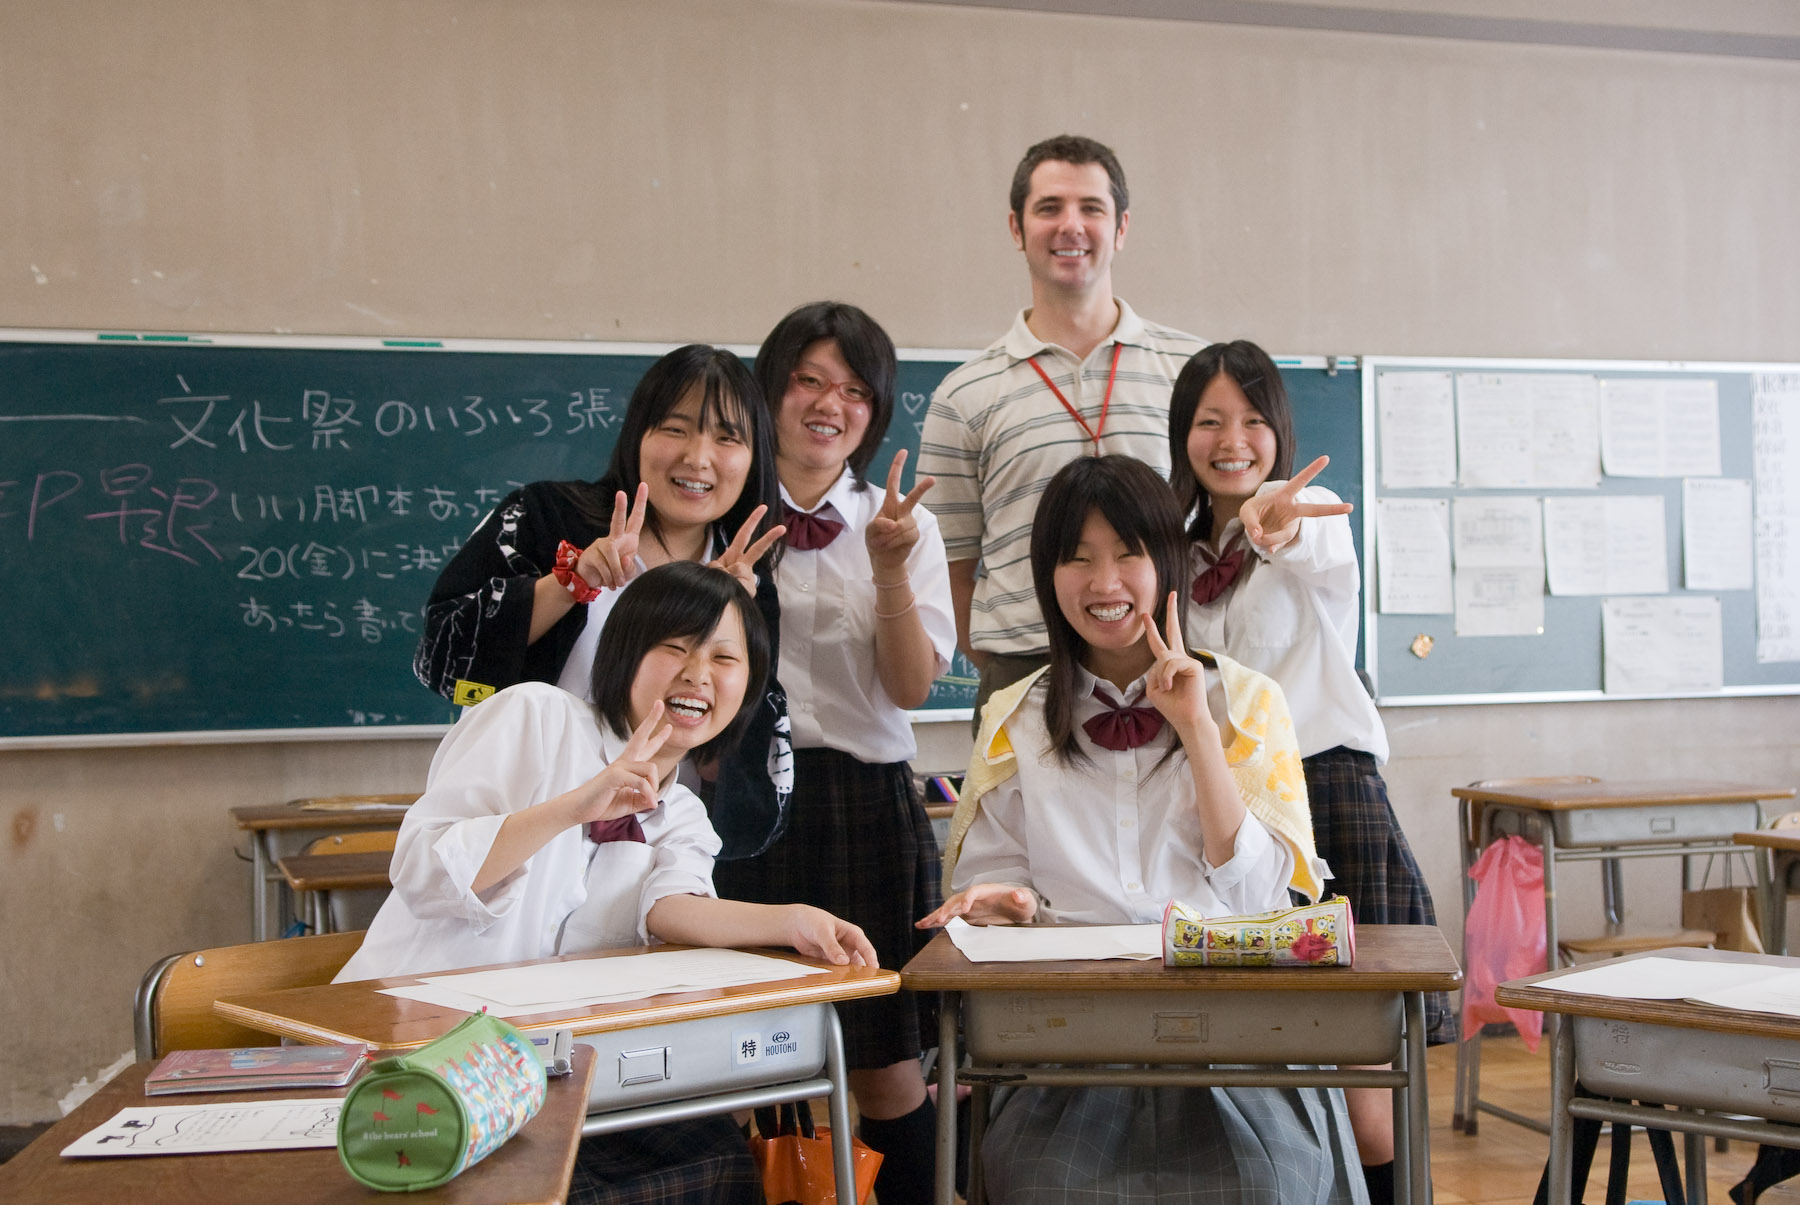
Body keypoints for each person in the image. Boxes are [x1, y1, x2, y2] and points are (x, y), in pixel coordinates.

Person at [343, 561, 876, 1204]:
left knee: (716, 1161)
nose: (697, 674)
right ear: (624, 652)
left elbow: (671, 907)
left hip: (543, 1073)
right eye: (673, 646)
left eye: (724, 658)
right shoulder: (532, 715)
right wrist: (574, 806)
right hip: (415, 1055)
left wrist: (793, 920)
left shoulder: (682, 812)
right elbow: (422, 868)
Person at [920, 454, 1365, 1204]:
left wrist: (1195, 727)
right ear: (1047, 574)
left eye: (1127, 553)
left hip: (1232, 1047)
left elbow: (1263, 899)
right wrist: (1010, 903)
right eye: (1078, 558)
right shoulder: (1014, 719)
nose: (1104, 583)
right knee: (1043, 1184)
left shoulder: (1249, 702)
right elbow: (991, 890)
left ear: (1165, 561)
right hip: (1071, 1050)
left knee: (1269, 1182)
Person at [1169, 339, 1449, 1204]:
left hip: (1326, 792)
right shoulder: (1174, 552)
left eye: (1252, 420)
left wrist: (1273, 521)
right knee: (1262, 1062)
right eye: (1210, 420)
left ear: (1278, 431)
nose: (1232, 439)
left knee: (1366, 1084)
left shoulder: (1311, 511)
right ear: (1182, 432)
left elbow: (1298, 536)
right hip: (1229, 815)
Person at [711, 301, 955, 1205]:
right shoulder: (717, 510)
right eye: (809, 380)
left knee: (887, 1066)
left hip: (861, 802)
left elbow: (910, 688)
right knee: (735, 1063)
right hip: (734, 805)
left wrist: (887, 566)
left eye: (854, 390)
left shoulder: (901, 523)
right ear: (769, 390)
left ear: (875, 410)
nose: (829, 403)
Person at [412, 344, 793, 858]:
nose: (697, 458)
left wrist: (718, 612)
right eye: (675, 429)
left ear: (754, 458)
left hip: (652, 844)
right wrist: (570, 581)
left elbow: (739, 755)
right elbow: (442, 659)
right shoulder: (546, 517)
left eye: (727, 438)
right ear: (638, 434)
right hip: (523, 822)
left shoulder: (746, 578)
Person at [918, 133, 1205, 715]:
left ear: (1121, 228)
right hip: (1025, 676)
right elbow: (950, 566)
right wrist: (1012, 659)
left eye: (1091, 208)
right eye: (1049, 208)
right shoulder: (963, 395)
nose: (1070, 225)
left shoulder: (1192, 372)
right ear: (1016, 229)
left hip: (1177, 670)